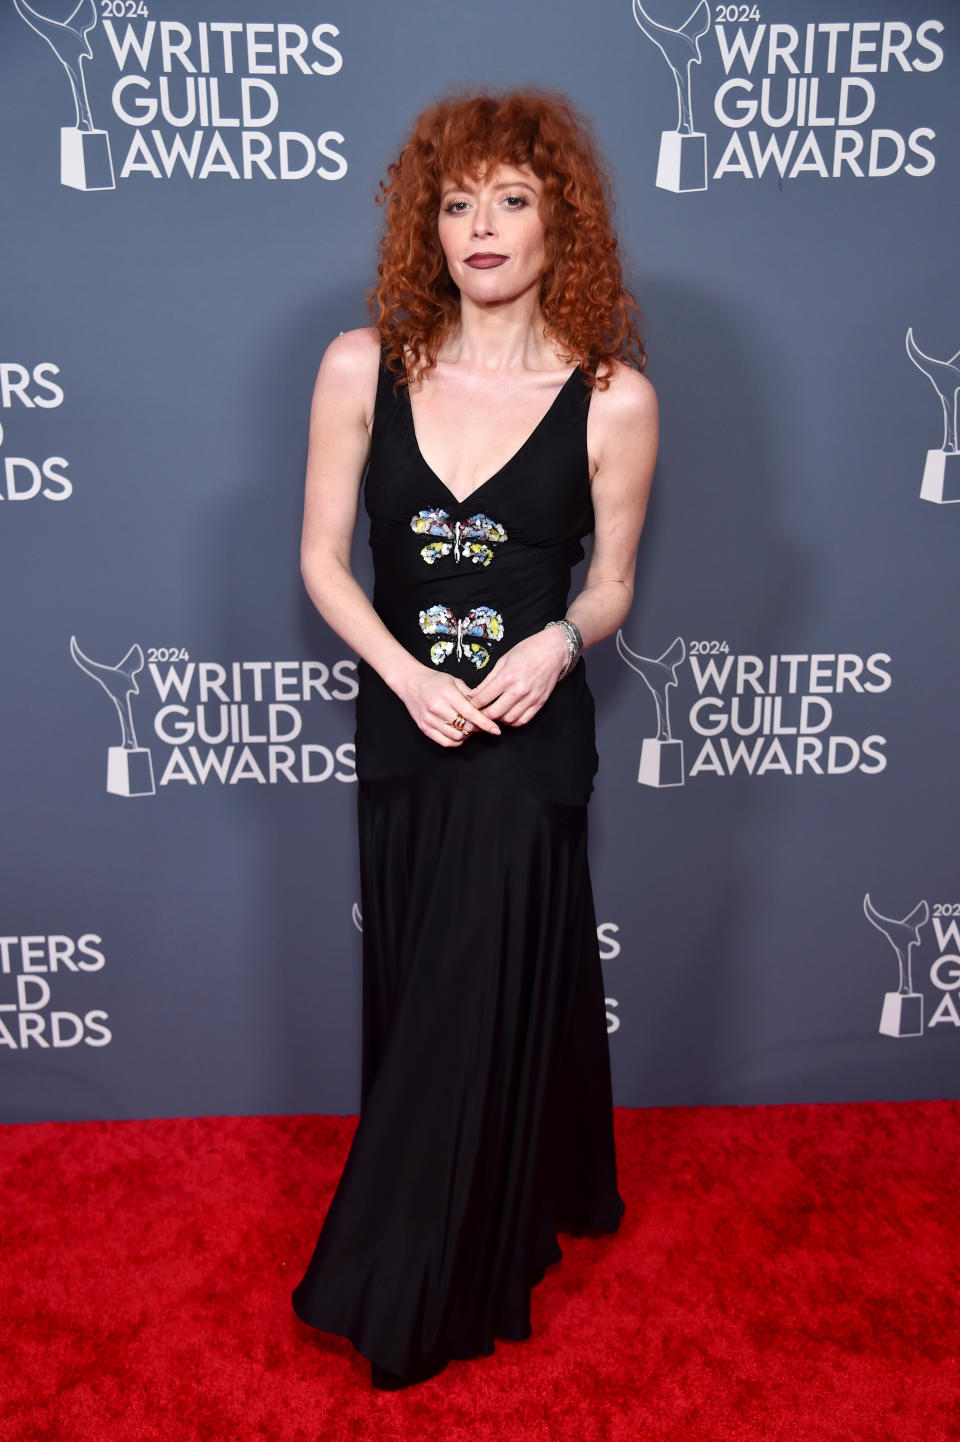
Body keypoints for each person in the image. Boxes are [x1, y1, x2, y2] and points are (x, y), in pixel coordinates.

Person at [291, 87, 658, 1390]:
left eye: (512, 198)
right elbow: (324, 563)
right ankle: (520, 1186)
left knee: (472, 978)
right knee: (431, 987)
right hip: (403, 733)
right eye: (457, 203)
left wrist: (557, 642)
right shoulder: (360, 366)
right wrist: (400, 676)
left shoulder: (613, 397)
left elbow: (611, 584)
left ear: (562, 222)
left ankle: (409, 1283)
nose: (482, 225)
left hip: (525, 737)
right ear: (426, 227)